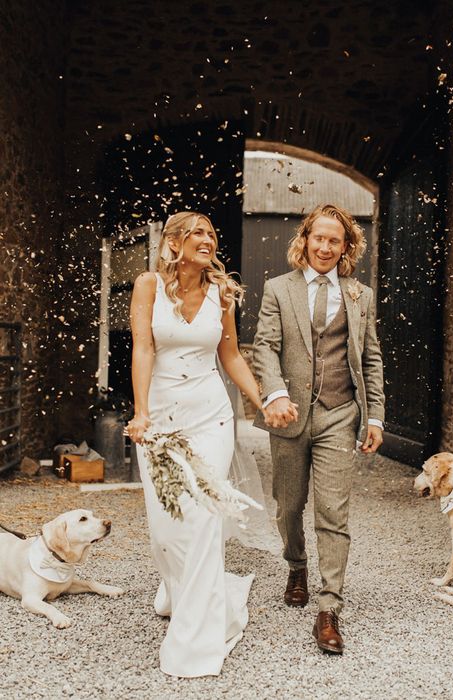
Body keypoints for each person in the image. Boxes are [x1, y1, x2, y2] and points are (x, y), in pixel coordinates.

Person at [126, 212, 267, 677]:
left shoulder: (222, 293)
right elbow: (143, 348)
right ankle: (179, 591)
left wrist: (261, 402)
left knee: (203, 516)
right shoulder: (148, 285)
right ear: (174, 242)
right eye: (198, 233)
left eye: (211, 234)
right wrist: (142, 412)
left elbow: (230, 355)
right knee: (167, 525)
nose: (208, 240)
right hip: (162, 418)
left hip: (210, 417)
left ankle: (195, 638)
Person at [252, 203, 385, 655]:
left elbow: (370, 358)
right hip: (289, 415)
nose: (326, 247)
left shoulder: (359, 295)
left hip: (339, 414)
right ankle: (296, 565)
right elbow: (265, 348)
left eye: (335, 240)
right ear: (305, 240)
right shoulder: (277, 289)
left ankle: (329, 607)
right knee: (288, 505)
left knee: (333, 512)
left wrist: (374, 416)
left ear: (346, 247)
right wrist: (274, 394)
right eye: (319, 238)